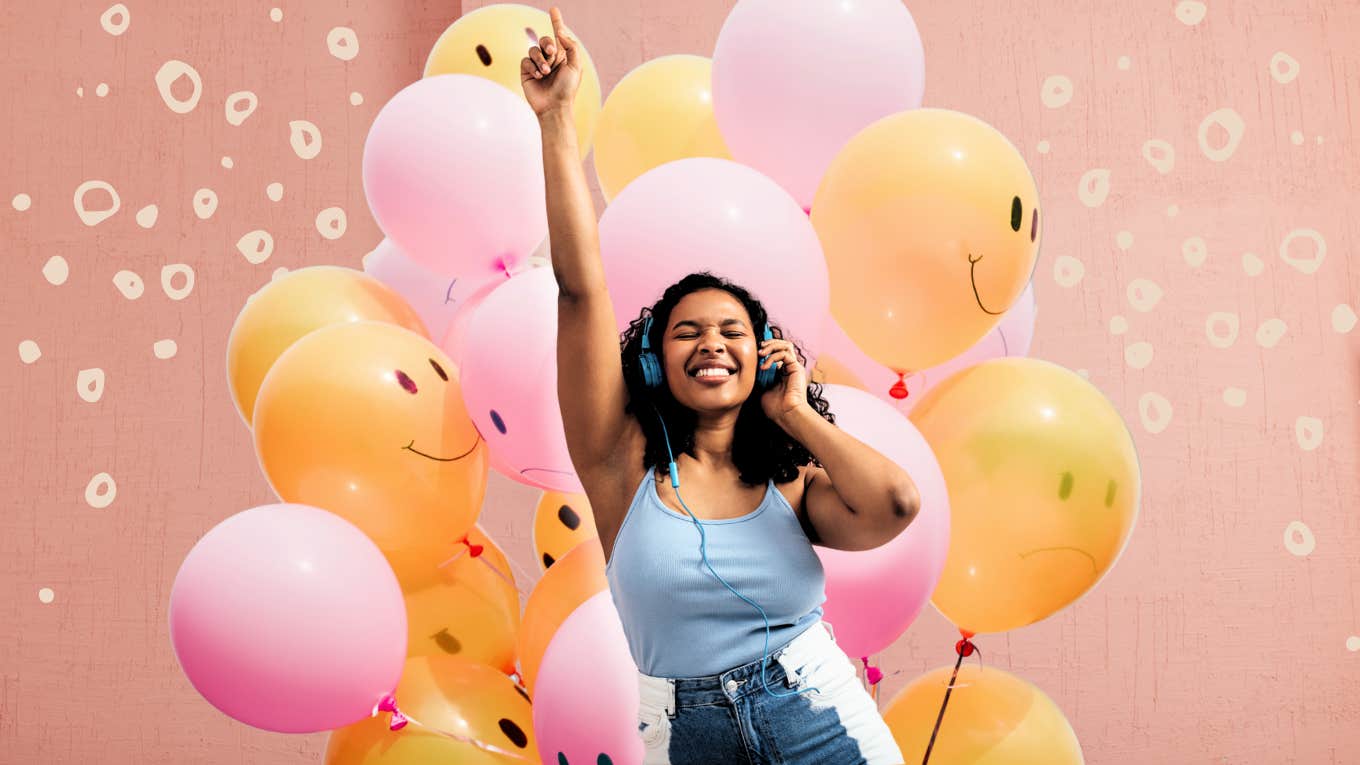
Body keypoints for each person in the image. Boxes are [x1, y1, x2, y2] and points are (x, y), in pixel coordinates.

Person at [523, 9, 919, 764]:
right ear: (653, 361)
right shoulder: (619, 464)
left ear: (761, 352)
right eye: (687, 331)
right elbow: (579, 291)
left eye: (732, 331)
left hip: (818, 713)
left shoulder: (792, 482)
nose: (712, 343)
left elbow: (896, 504)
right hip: (687, 732)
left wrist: (798, 412)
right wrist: (558, 118)